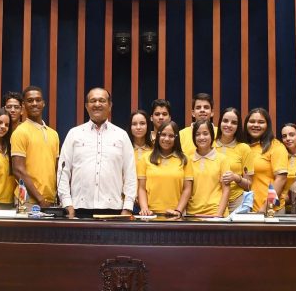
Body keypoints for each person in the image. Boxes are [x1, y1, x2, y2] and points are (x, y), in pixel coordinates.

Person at [57, 88, 137, 218]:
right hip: (79, 209)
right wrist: (67, 204)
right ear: (86, 106)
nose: (97, 104)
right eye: (93, 101)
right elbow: (63, 171)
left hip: (114, 209)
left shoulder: (121, 135)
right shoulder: (74, 134)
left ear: (110, 106)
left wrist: (128, 207)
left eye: (102, 101)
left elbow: (130, 173)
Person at [10, 86, 60, 207]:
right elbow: (18, 170)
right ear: (23, 105)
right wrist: (40, 199)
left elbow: (57, 170)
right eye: (30, 100)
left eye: (38, 100)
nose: (34, 103)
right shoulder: (20, 132)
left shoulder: (53, 134)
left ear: (43, 103)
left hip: (50, 201)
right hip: (28, 201)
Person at [137, 121, 192, 217]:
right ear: (158, 136)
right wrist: (144, 209)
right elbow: (141, 188)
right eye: (163, 135)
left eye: (171, 136)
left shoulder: (185, 159)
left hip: (176, 214)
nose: (166, 139)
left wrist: (178, 211)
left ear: (176, 138)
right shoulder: (145, 158)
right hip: (150, 214)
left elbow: (187, 189)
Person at [243, 108, 288, 213]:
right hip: (246, 210)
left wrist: (265, 207)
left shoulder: (276, 147)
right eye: (252, 121)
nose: (256, 125)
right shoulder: (243, 146)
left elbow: (281, 180)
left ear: (268, 125)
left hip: (270, 211)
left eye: (261, 122)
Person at [185, 120, 230, 217]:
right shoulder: (188, 159)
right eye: (197, 134)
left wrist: (218, 215)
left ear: (212, 135)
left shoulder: (222, 159)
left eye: (205, 134)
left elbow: (226, 190)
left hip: (215, 213)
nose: (201, 137)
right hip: (192, 214)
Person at [215, 107, 253, 212]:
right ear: (220, 122)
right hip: (212, 200)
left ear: (238, 126)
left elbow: (249, 185)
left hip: (235, 201)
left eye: (234, 122)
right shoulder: (209, 145)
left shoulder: (244, 148)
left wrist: (236, 177)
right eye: (225, 121)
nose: (229, 125)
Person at [272, 123, 296, 200]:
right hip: (278, 203)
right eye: (284, 136)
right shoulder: (279, 156)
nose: (288, 139)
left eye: (291, 135)